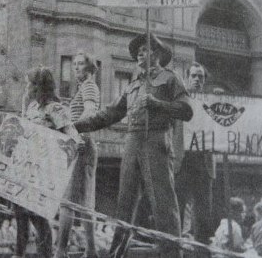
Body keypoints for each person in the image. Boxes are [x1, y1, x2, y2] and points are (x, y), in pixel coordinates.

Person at [74, 33, 193, 258]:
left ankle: (171, 255)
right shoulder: (133, 85)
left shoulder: (170, 78)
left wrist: (157, 104)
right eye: (137, 51)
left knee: (163, 204)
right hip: (132, 142)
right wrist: (75, 126)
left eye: (145, 49)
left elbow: (187, 110)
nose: (139, 53)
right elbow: (109, 114)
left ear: (157, 55)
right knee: (124, 204)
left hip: (157, 141)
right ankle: (116, 254)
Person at [13, 66, 83, 258]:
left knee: (38, 218)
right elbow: (21, 131)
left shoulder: (55, 108)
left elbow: (71, 132)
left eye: (30, 83)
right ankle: (18, 255)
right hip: (24, 166)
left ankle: (46, 255)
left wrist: (76, 143)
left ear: (38, 86)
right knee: (19, 214)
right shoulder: (31, 107)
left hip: (42, 171)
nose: (27, 87)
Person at [55, 52, 100, 258]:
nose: (76, 68)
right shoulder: (83, 88)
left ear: (90, 68)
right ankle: (91, 251)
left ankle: (61, 251)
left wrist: (74, 132)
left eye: (81, 64)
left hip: (81, 142)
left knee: (68, 199)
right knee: (83, 200)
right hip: (83, 142)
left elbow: (89, 112)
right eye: (74, 64)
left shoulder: (89, 86)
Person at [174, 62, 215, 244]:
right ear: (187, 79)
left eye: (201, 76)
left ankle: (202, 251)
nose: (198, 79)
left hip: (204, 162)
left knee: (203, 211)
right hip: (182, 161)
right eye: (194, 76)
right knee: (177, 207)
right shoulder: (179, 101)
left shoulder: (211, 102)